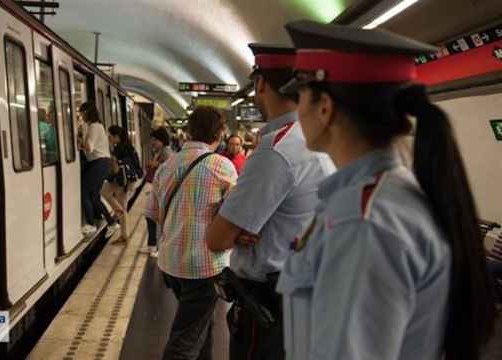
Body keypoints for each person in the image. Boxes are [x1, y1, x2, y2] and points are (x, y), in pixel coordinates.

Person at [276, 20, 497, 360]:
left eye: (301, 95)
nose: (298, 108)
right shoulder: (389, 197)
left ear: (324, 107)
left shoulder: (363, 224)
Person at [206, 44, 334, 360]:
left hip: (270, 312)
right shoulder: (327, 138)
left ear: (260, 83)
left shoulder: (277, 151)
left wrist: (229, 220)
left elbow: (217, 239)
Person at [145, 106, 237, 360]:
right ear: (219, 133)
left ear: (188, 131)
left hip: (171, 264)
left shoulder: (167, 165)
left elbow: (152, 212)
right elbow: (235, 216)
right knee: (183, 343)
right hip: (204, 267)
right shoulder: (222, 166)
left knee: (201, 327)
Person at [79, 102, 119, 237]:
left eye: (82, 113)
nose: (81, 116)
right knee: (95, 196)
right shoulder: (98, 126)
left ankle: (91, 224)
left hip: (99, 163)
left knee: (85, 191)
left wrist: (79, 142)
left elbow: (89, 147)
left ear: (87, 113)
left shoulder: (93, 127)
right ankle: (112, 223)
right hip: (101, 164)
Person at [102, 125, 141, 243]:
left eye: (111, 136)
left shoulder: (118, 149)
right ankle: (124, 235)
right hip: (129, 180)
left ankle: (124, 235)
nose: (109, 138)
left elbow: (116, 169)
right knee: (107, 193)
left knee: (107, 193)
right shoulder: (129, 146)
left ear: (117, 137)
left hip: (123, 182)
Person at [140, 127, 172, 257]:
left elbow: (169, 168)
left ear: (162, 140)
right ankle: (152, 246)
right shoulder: (160, 152)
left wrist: (155, 165)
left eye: (154, 140)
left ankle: (157, 247)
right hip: (157, 188)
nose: (152, 142)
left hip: (162, 190)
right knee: (150, 216)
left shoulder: (166, 152)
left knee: (157, 218)